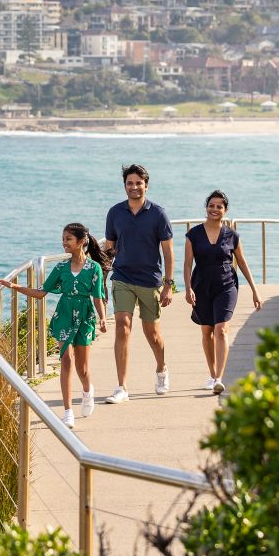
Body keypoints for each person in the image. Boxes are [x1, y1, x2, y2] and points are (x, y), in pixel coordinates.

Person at [0, 223, 109, 429]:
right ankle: (67, 412)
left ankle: (87, 391)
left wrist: (102, 318)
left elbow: (97, 297)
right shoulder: (60, 268)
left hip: (85, 317)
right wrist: (14, 286)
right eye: (63, 238)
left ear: (81, 242)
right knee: (66, 361)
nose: (64, 242)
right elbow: (41, 292)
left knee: (82, 368)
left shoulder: (94, 269)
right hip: (64, 314)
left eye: (68, 239)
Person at [104, 164, 174, 402]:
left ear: (146, 185)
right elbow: (109, 249)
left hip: (150, 280)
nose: (134, 187)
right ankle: (122, 386)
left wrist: (168, 285)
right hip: (122, 277)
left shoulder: (158, 214)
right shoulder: (115, 213)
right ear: (124, 186)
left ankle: (162, 369)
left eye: (138, 183)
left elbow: (168, 253)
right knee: (122, 325)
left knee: (152, 333)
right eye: (129, 183)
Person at [183, 190, 261, 395]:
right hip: (201, 286)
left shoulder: (232, 235)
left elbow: (242, 263)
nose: (214, 209)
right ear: (206, 207)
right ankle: (212, 373)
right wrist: (188, 288)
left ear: (225, 211)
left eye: (219, 206)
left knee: (221, 329)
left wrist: (254, 290)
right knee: (207, 331)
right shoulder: (193, 234)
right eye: (211, 205)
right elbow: (187, 263)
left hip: (226, 285)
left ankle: (219, 377)